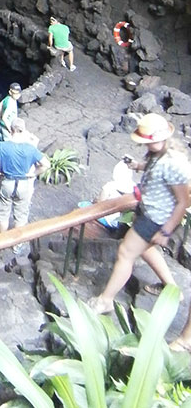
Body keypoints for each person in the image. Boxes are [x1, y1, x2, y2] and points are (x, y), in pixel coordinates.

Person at [88, 113, 190, 315]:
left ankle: (105, 300)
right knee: (146, 249)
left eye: (147, 142)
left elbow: (183, 201)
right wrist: (136, 165)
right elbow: (153, 168)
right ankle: (172, 288)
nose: (145, 146)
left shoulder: (172, 163)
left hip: (156, 219)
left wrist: (166, 231)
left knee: (125, 253)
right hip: (149, 212)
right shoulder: (159, 154)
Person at [0, 118, 50, 253]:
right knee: (21, 215)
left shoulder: (3, 146)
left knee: (3, 213)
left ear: (11, 130)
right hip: (24, 185)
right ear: (23, 130)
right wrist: (33, 174)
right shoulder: (30, 148)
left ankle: (2, 241)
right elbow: (46, 164)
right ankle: (17, 245)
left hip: (7, 183)